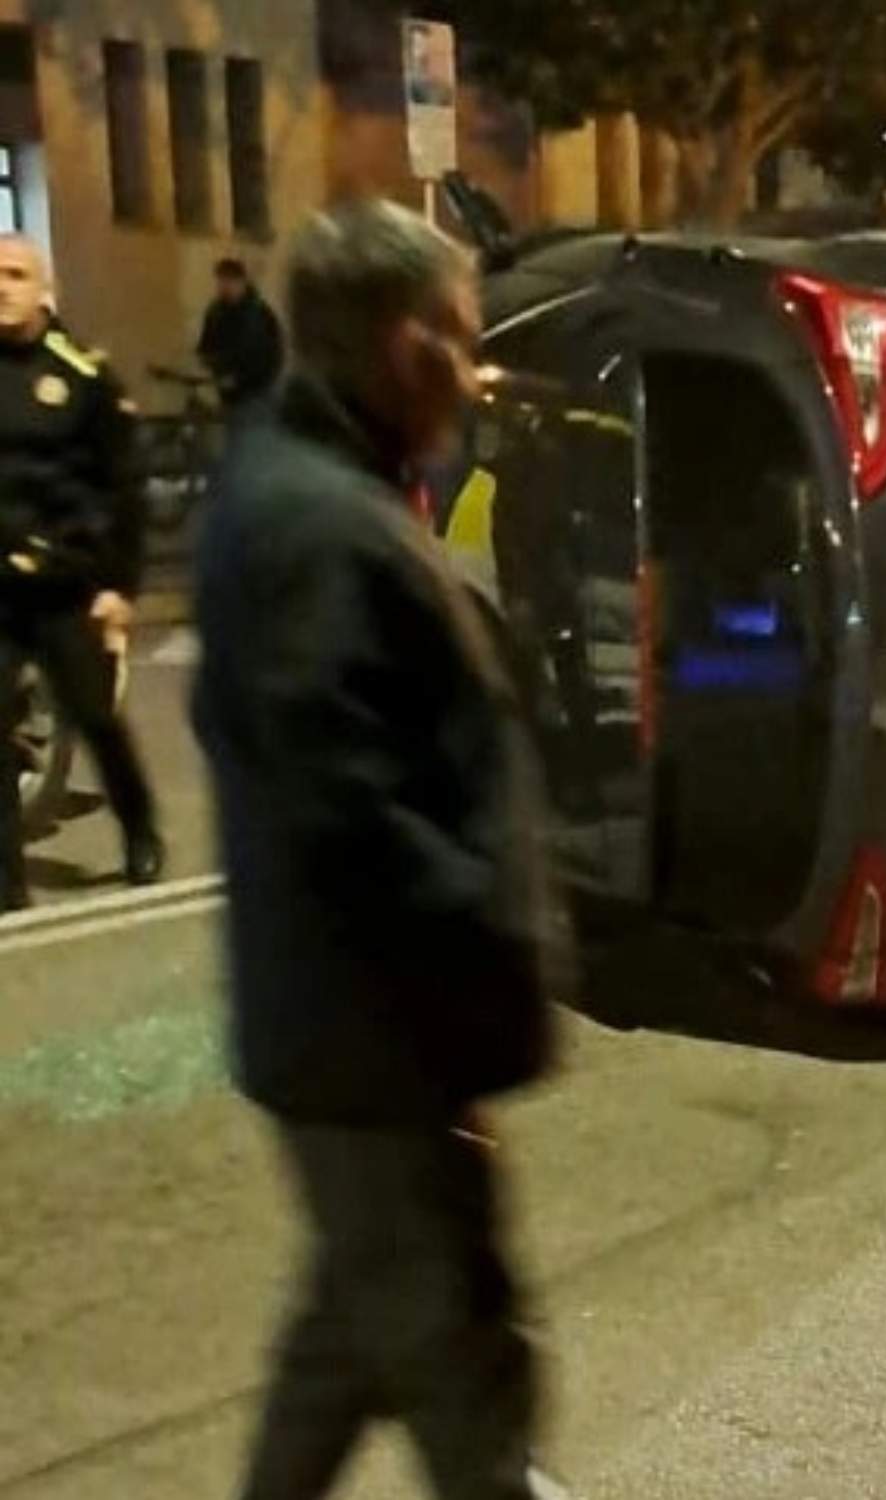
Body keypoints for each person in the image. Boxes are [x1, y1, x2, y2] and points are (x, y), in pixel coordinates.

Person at [192, 201, 571, 1500]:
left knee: (346, 1346)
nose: (476, 373)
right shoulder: (319, 522)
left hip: (353, 1044)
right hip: (375, 1049)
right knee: (470, 1389)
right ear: (405, 348)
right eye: (462, 342)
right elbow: (342, 812)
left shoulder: (305, 485)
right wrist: (482, 958)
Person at [0, 235, 162, 911]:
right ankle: (8, 887)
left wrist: (120, 589)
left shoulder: (83, 377)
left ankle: (139, 825)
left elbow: (125, 489)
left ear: (44, 289)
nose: (1, 287)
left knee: (96, 718)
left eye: (15, 274)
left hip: (68, 584)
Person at [196, 257, 285, 414]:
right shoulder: (215, 312)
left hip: (255, 393)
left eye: (229, 281)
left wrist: (239, 378)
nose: (224, 287)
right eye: (221, 281)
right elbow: (206, 345)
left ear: (241, 282)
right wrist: (209, 364)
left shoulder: (258, 314)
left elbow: (268, 356)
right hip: (227, 391)